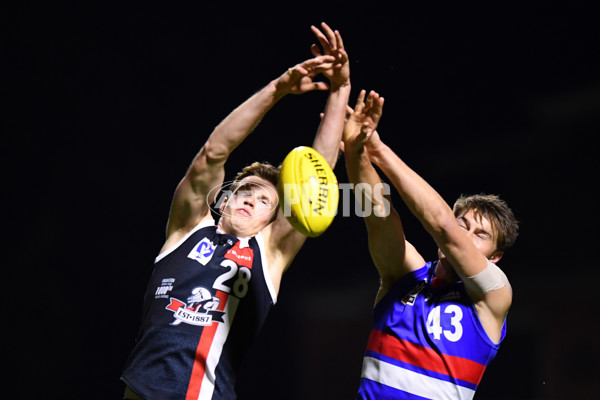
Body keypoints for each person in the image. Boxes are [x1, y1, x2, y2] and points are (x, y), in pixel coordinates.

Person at [120, 22, 351, 400]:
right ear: (223, 199)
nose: (251, 200)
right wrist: (277, 89)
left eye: (265, 201)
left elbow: (317, 173)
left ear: (273, 220)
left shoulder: (271, 252)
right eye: (245, 191)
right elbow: (214, 151)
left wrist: (340, 88)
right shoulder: (186, 230)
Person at [342, 90, 519, 399]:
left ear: (496, 257)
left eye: (480, 235)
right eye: (462, 224)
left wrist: (379, 150)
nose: (464, 235)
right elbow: (376, 214)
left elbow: (443, 227)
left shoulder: (494, 296)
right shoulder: (406, 276)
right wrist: (356, 152)